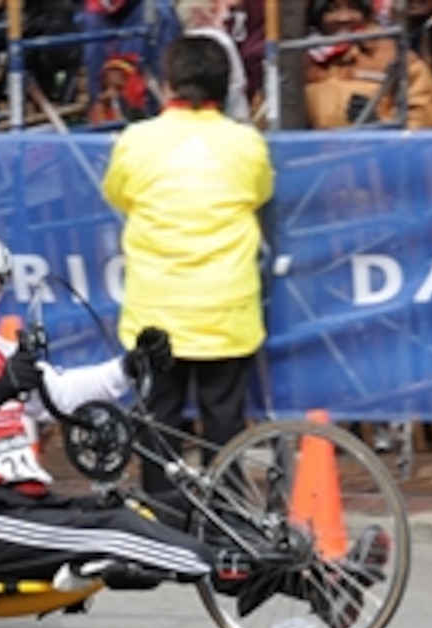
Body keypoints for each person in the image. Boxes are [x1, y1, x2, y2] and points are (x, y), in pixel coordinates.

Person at [0, 226, 216, 592]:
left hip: (27, 504)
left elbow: (64, 395)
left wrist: (130, 367)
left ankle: (274, 568)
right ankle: (229, 570)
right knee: (115, 529)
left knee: (154, 510)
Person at [102, 35, 273, 498]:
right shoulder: (246, 143)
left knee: (158, 427)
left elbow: (117, 195)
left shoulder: (136, 141)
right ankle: (228, 529)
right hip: (226, 311)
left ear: (169, 82)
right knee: (225, 425)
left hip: (155, 310)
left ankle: (165, 527)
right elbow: (260, 193)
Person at [304, 0, 432, 129]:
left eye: (354, 8)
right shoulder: (300, 60)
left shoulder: (395, 55)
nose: (344, 18)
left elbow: (426, 115)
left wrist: (381, 126)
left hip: (380, 155)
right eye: (332, 9)